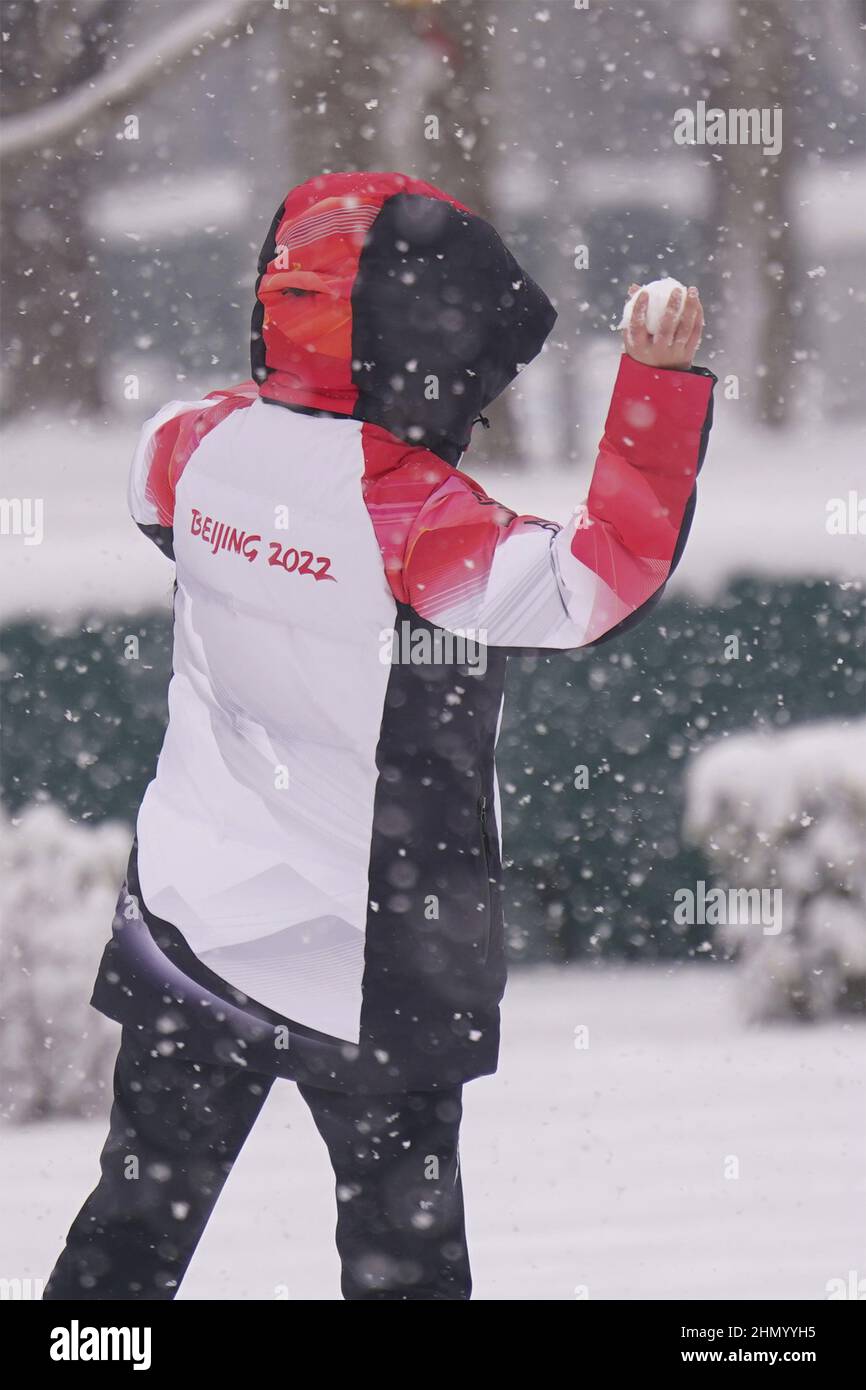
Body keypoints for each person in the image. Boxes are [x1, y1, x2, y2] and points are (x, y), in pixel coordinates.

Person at [44, 171, 714, 1302]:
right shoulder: (414, 520)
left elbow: (166, 496)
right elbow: (599, 579)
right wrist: (656, 388)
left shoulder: (186, 448)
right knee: (401, 1263)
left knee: (130, 1233)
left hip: (188, 927)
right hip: (366, 963)